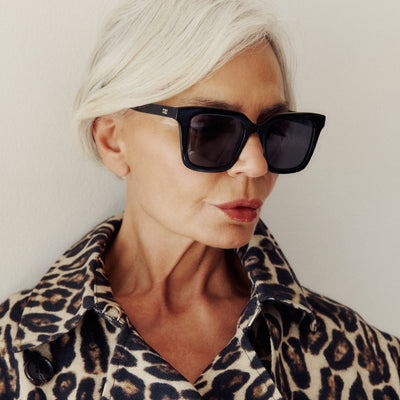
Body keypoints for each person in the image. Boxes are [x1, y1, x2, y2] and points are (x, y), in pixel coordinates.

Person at [0, 0, 399, 398]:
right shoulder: (12, 350)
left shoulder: (367, 363)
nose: (256, 165)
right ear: (113, 141)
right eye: (210, 130)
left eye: (276, 131)